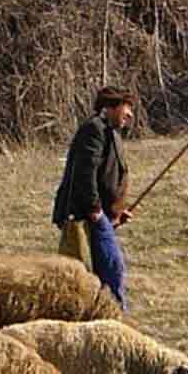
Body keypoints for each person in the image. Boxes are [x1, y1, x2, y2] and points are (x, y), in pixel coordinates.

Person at [53, 85, 135, 311]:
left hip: (100, 216)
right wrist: (95, 211)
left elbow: (106, 178)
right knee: (107, 270)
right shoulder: (93, 130)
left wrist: (116, 212)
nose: (129, 114)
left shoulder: (111, 133)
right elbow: (84, 173)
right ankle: (113, 319)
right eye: (125, 108)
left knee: (108, 270)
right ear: (110, 108)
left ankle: (110, 316)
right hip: (84, 215)